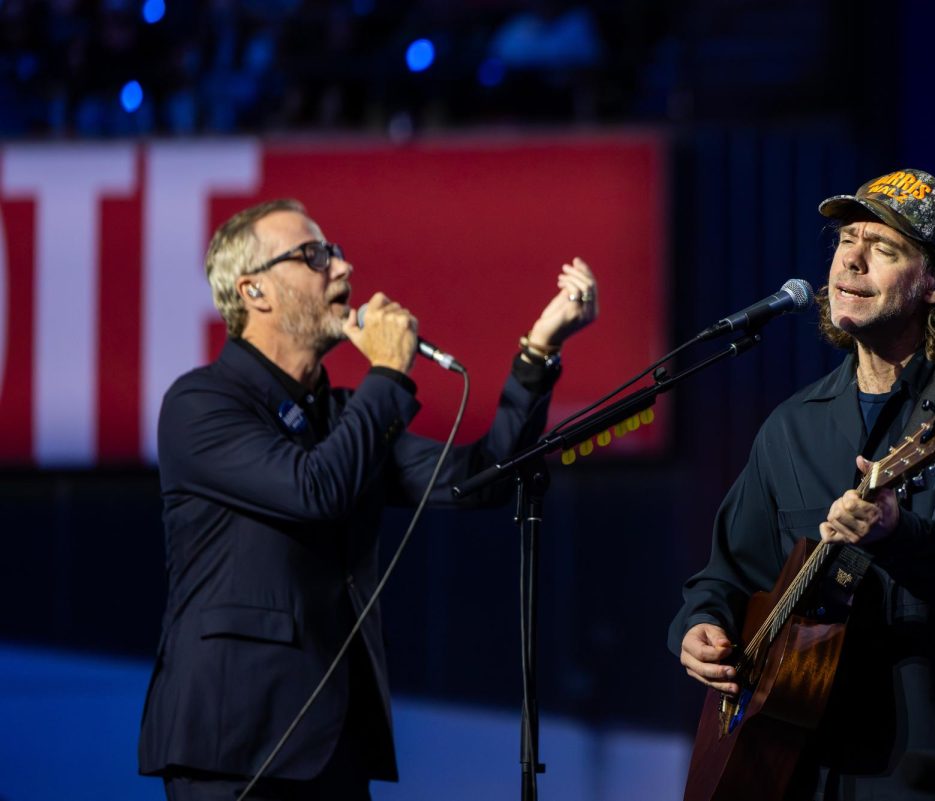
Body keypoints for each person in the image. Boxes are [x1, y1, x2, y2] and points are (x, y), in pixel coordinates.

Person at [138, 198, 598, 799]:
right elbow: (314, 489)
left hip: (335, 743)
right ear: (254, 292)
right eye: (314, 256)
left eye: (336, 252)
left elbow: (481, 477)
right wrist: (387, 373)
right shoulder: (200, 404)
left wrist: (538, 351)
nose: (343, 268)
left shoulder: (345, 415)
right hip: (236, 744)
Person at [669, 169, 935, 799]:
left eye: (885, 249)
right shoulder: (792, 426)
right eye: (846, 240)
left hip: (932, 762)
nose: (852, 261)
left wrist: (897, 532)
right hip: (805, 765)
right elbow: (727, 573)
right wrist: (697, 627)